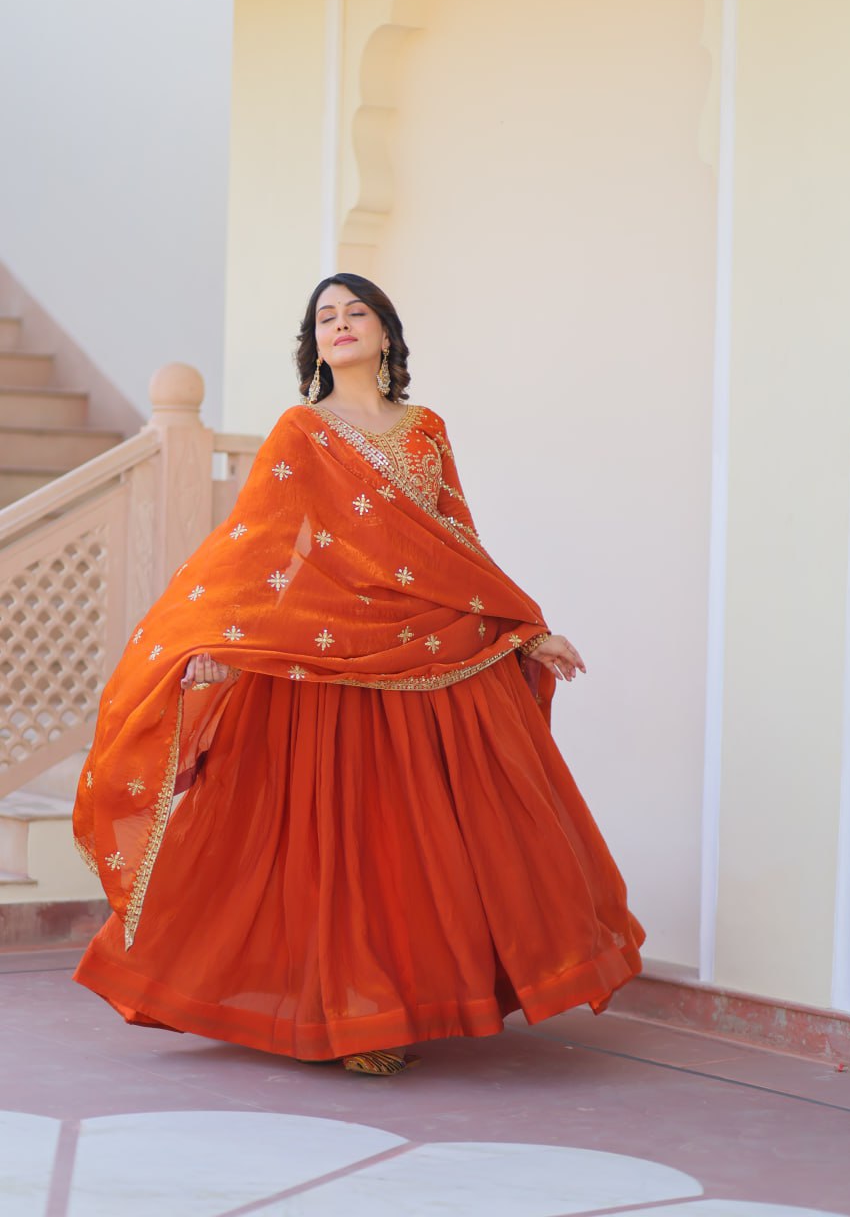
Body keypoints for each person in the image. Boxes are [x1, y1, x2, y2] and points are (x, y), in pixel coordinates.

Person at [73, 273, 644, 1075]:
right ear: (314, 343)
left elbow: (455, 540)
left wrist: (525, 629)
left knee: (422, 847)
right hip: (331, 656)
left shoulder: (426, 428)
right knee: (336, 846)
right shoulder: (300, 431)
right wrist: (221, 637)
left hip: (433, 653)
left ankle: (415, 999)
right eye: (325, 317)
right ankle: (355, 1016)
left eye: (355, 313)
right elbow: (260, 543)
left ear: (384, 333)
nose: (340, 324)